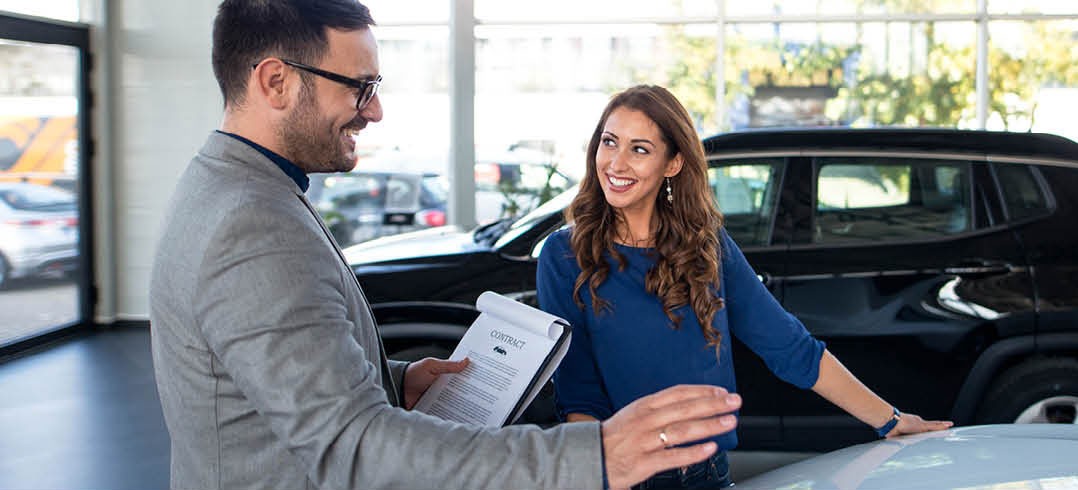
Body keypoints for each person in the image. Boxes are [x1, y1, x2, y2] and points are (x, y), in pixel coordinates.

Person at [149, 2, 742, 489]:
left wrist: (393, 381)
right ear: (276, 81)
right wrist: (596, 456)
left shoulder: (233, 186)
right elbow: (353, 447)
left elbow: (270, 387)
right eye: (359, 87)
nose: (375, 110)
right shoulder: (253, 224)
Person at [536, 85, 954, 489]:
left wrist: (891, 420)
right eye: (609, 142)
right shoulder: (563, 254)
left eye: (639, 149)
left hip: (706, 474)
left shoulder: (706, 245)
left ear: (673, 163)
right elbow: (578, 394)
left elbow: (789, 347)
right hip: (619, 475)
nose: (616, 163)